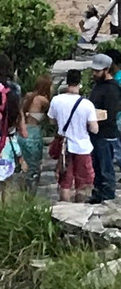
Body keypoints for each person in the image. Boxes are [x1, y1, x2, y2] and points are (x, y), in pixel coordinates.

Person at [48, 68, 98, 203]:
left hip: (65, 147)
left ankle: (65, 211)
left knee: (65, 182)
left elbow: (52, 121)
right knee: (84, 183)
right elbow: (94, 129)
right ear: (79, 83)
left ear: (67, 81)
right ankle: (80, 210)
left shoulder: (56, 100)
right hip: (82, 147)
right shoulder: (87, 104)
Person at [88, 53, 121, 203]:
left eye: (98, 71)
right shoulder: (98, 86)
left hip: (105, 134)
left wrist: (95, 119)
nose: (94, 74)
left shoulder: (112, 90)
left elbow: (110, 114)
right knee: (97, 167)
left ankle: (108, 194)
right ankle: (98, 193)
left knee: (106, 167)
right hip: (95, 133)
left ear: (107, 70)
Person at [21, 74, 52, 195]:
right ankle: (31, 194)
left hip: (24, 132)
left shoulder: (29, 96)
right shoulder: (42, 100)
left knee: (25, 165)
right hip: (34, 133)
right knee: (35, 165)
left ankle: (22, 192)